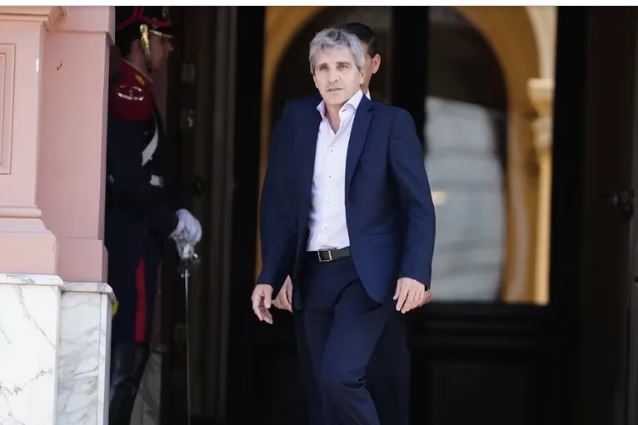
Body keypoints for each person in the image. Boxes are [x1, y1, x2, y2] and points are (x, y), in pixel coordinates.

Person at [252, 27, 435, 425]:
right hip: (312, 274)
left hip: (366, 275)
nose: (332, 76)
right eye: (323, 68)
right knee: (321, 393)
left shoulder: (390, 123)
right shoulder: (297, 120)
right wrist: (271, 274)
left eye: (342, 67)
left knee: (340, 376)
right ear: (313, 74)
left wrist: (415, 271)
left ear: (361, 71)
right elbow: (280, 205)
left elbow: (418, 206)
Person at [105, 6, 202, 425]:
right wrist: (170, 222)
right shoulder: (130, 92)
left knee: (136, 340)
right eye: (163, 41)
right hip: (132, 235)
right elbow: (128, 177)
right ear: (142, 40)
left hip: (141, 230)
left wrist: (173, 212)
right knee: (130, 342)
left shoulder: (141, 91)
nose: (168, 49)